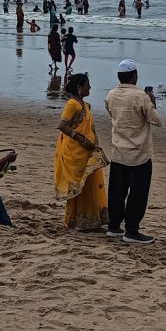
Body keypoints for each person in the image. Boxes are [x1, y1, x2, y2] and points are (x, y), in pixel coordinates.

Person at [105, 59, 160, 245]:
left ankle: (113, 226)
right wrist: (152, 103)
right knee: (138, 193)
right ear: (134, 76)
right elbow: (156, 120)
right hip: (138, 153)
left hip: (118, 150)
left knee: (116, 192)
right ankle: (132, 230)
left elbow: (111, 113)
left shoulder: (111, 94)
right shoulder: (141, 96)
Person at [54, 73, 108, 230]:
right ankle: (80, 221)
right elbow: (62, 125)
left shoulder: (85, 105)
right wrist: (82, 139)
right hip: (76, 151)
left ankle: (92, 220)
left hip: (87, 151)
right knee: (80, 186)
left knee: (90, 184)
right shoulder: (72, 104)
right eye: (87, 84)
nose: (90, 87)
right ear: (79, 87)